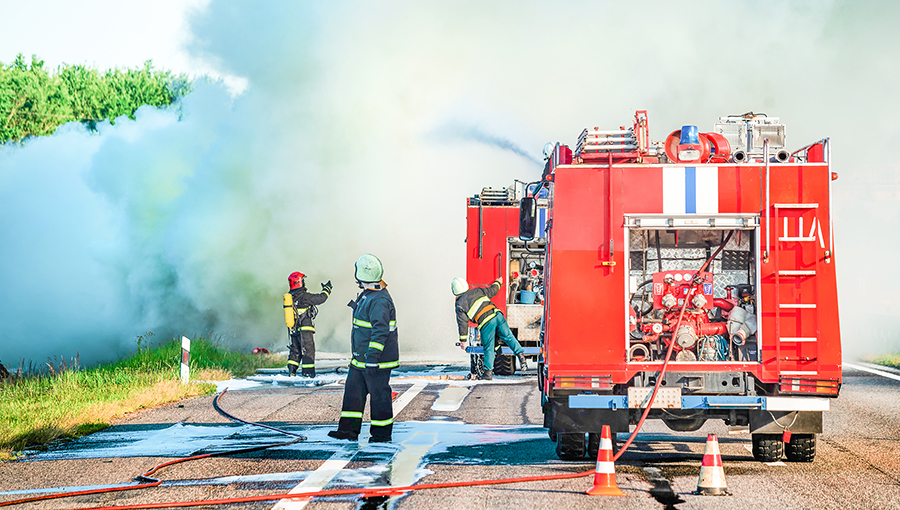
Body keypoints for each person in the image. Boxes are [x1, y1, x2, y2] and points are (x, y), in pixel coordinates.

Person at [328, 254, 399, 443]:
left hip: (375, 361)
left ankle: (381, 435)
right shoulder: (369, 294)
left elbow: (380, 331)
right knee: (353, 393)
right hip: (361, 358)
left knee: (379, 396)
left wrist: (373, 358)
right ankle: (347, 431)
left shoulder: (379, 300)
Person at [453, 276, 527, 380]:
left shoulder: (459, 305)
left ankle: (487, 375)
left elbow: (463, 323)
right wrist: (498, 282)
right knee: (508, 336)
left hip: (486, 321)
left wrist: (463, 341)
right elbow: (492, 291)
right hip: (497, 315)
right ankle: (521, 357)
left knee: (488, 348)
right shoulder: (477, 291)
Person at [284, 271, 332, 377]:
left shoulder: (290, 298)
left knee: (295, 349)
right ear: (299, 282)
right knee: (308, 350)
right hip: (305, 329)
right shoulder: (305, 297)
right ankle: (308, 373)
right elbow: (321, 298)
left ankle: (292, 371)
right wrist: (327, 289)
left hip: (294, 329)